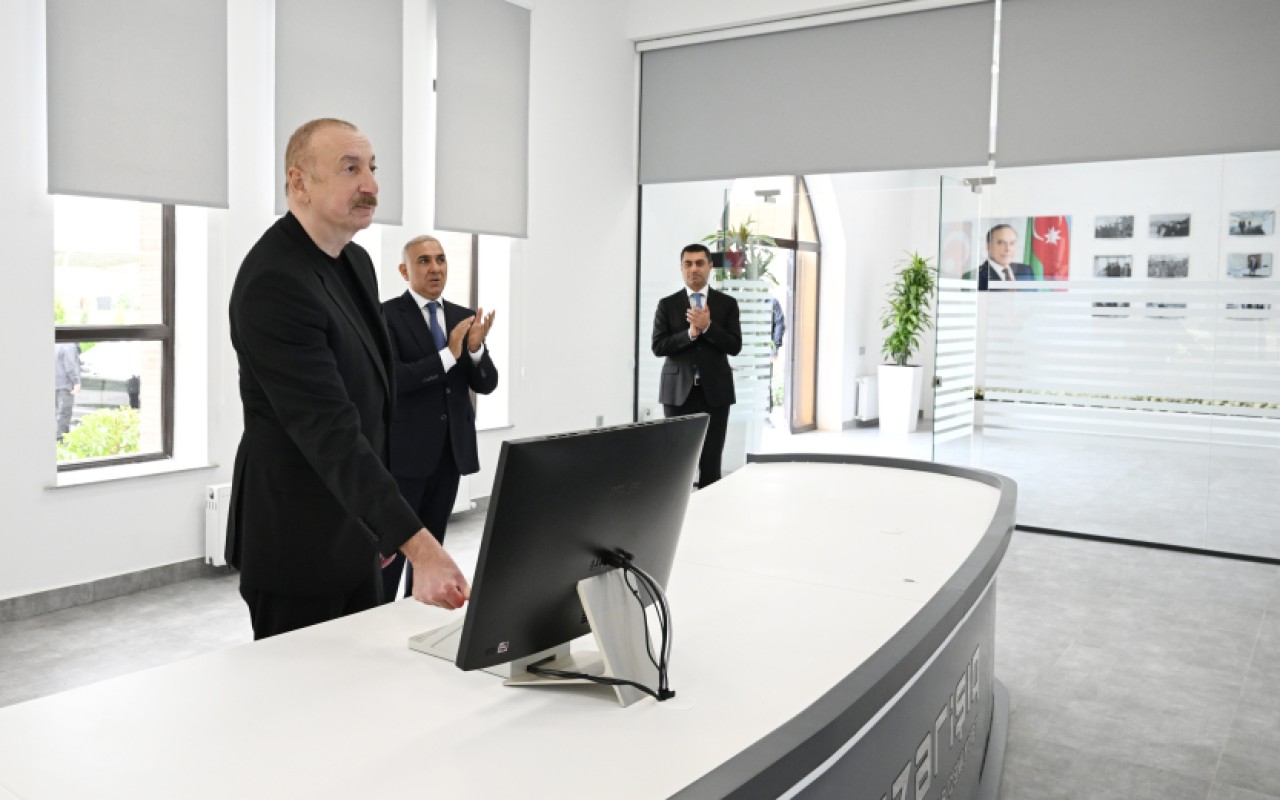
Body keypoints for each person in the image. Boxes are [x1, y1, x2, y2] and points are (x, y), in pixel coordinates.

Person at [227, 118, 468, 640]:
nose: (371, 185)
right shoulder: (274, 281)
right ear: (299, 183)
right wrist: (417, 544)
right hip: (297, 541)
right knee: (307, 688)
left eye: (373, 168)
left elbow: (375, 401)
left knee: (367, 680)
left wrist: (379, 524)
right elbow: (330, 430)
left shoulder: (354, 261)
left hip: (356, 532)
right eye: (350, 169)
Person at [379, 235, 498, 602]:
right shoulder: (386, 316)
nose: (435, 268)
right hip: (405, 457)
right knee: (392, 554)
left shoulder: (463, 316)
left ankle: (417, 616)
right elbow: (394, 380)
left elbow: (486, 383)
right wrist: (449, 354)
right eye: (424, 261)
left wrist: (474, 350)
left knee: (433, 553)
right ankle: (379, 620)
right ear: (404, 271)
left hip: (450, 454)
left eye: (441, 259)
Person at [652, 243, 742, 488]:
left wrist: (709, 327)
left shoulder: (727, 304)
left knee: (711, 461)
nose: (694, 269)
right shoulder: (667, 304)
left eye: (700, 263)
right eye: (688, 264)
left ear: (710, 266)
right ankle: (677, 508)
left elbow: (734, 346)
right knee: (677, 460)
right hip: (677, 394)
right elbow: (658, 346)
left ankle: (711, 507)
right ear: (681, 268)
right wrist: (691, 333)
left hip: (716, 393)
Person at [969, 223, 1032, 290]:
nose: (1008, 249)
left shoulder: (1026, 270)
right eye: (1001, 243)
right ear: (988, 246)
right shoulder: (974, 276)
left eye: (1012, 243)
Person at [54, 342, 81, 441]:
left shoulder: (57, 344)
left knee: (57, 414)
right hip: (65, 385)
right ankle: (60, 440)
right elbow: (70, 366)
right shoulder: (69, 346)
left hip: (55, 384)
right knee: (64, 414)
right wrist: (76, 382)